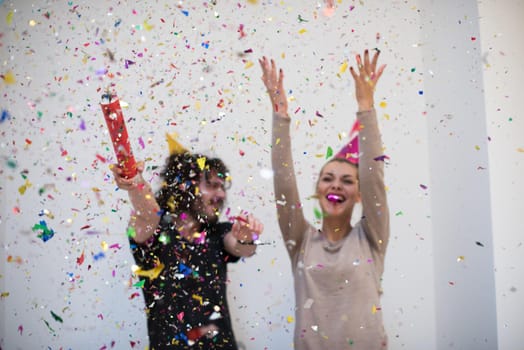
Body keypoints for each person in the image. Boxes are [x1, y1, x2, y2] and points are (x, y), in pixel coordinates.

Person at [259, 49, 389, 349]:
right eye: (328, 178)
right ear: (318, 189)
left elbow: (374, 180)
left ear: (358, 195)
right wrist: (280, 113)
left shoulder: (372, 238)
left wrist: (366, 106)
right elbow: (283, 182)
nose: (336, 185)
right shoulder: (300, 239)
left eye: (347, 181)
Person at [111, 140, 264, 349]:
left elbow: (241, 247)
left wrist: (247, 237)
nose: (220, 194)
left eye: (222, 187)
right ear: (185, 185)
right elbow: (148, 213)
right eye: (211, 185)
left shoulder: (218, 233)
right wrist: (135, 181)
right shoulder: (156, 233)